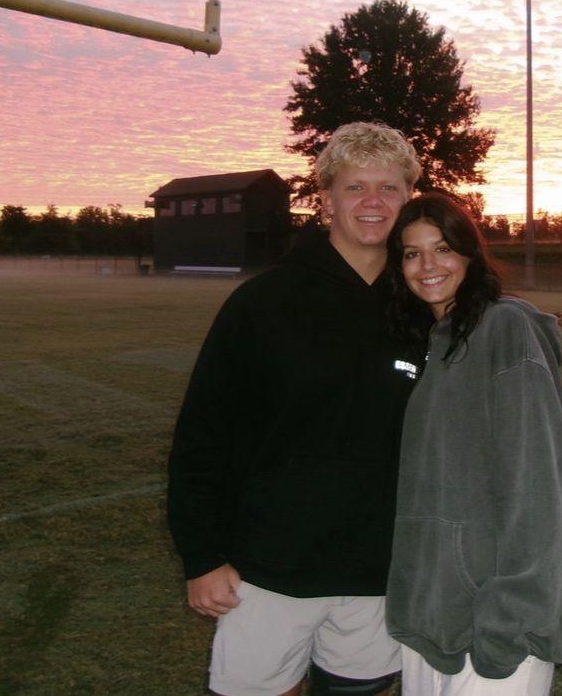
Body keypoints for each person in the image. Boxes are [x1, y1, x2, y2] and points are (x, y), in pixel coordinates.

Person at [167, 122, 423, 696]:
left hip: (380, 569)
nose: (374, 202)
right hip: (268, 567)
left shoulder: (423, 307)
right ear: (326, 197)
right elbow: (203, 434)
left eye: (389, 187)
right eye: (356, 187)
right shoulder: (263, 303)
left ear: (409, 197)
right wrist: (201, 555)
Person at [385, 193, 562, 696]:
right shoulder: (432, 342)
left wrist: (510, 623)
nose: (427, 265)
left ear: (471, 255)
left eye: (443, 248)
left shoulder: (505, 327)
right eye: (412, 253)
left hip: (494, 634)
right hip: (431, 620)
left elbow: (541, 489)